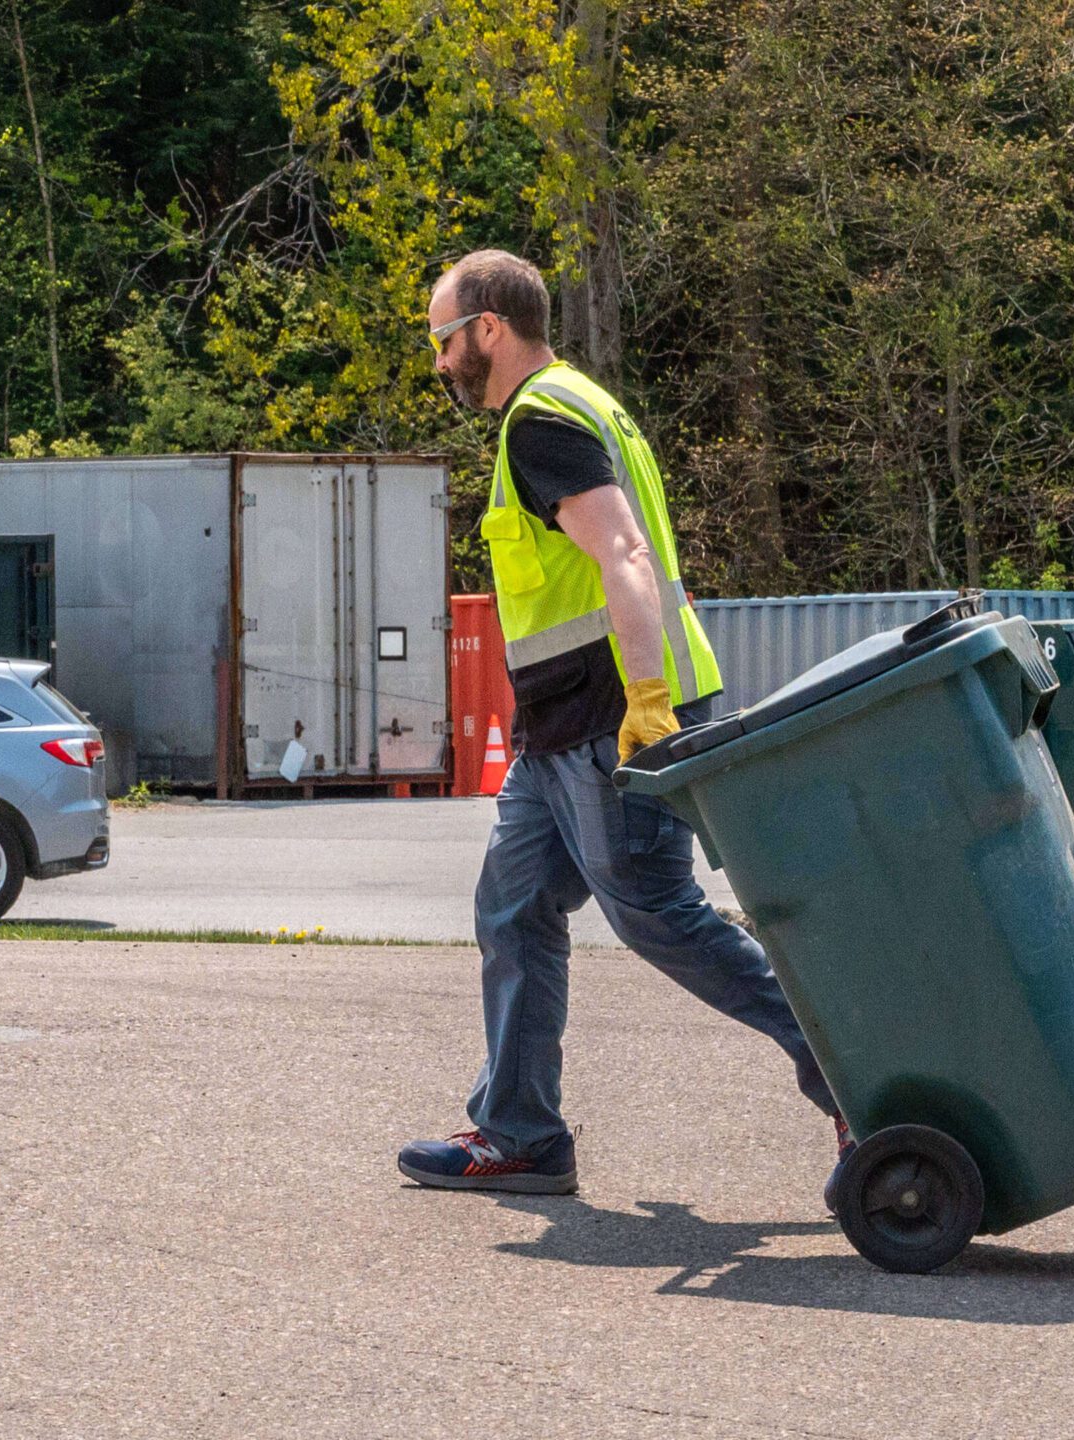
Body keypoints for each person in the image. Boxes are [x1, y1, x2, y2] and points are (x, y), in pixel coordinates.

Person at [397, 250, 847, 1196]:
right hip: (562, 726)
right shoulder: (585, 402)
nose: (439, 362)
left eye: (444, 340)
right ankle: (519, 1135)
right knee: (514, 909)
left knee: (657, 917)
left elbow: (625, 552)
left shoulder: (542, 420)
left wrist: (646, 702)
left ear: (488, 328)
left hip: (614, 718)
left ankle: (860, 1073)